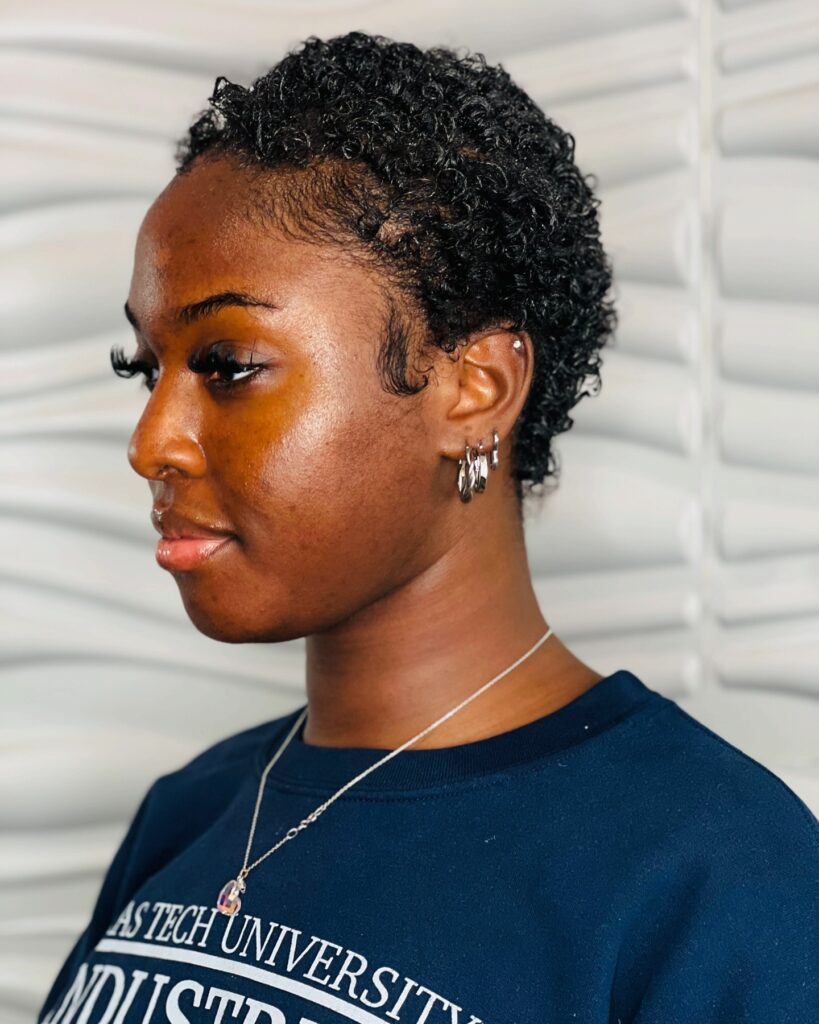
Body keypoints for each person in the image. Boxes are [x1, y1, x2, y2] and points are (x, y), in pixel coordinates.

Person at [38, 30, 817, 1024]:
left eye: (228, 363)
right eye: (147, 370)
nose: (152, 443)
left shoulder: (717, 878)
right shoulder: (193, 809)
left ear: (475, 387)